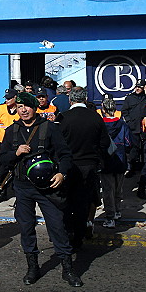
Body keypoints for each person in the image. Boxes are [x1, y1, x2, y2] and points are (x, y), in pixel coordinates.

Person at [0, 92, 82, 287]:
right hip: (23, 187)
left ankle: (68, 269)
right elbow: (2, 159)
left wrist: (62, 174)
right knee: (26, 227)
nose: (23, 110)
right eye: (19, 107)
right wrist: (15, 153)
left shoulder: (49, 128)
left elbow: (66, 155)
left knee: (57, 226)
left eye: (27, 106)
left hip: (47, 188)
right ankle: (32, 267)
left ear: (35, 108)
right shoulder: (12, 131)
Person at [58, 87, 110, 250]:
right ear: (85, 99)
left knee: (66, 200)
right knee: (83, 202)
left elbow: (56, 143)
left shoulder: (63, 118)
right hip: (89, 165)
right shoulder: (95, 117)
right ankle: (79, 236)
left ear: (70, 100)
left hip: (68, 165)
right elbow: (105, 143)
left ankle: (67, 232)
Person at [100, 97, 132, 228]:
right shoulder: (123, 124)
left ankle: (110, 217)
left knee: (108, 190)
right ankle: (118, 211)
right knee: (118, 188)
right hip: (120, 159)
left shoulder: (100, 124)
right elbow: (129, 143)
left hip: (105, 160)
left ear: (103, 109)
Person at [121, 79, 146, 177]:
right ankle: (131, 169)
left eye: (140, 87)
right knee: (134, 150)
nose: (138, 88)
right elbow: (124, 111)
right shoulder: (129, 98)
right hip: (133, 128)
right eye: (137, 86)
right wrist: (129, 122)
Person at [0, 88, 20, 189]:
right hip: (2, 142)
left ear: (15, 98)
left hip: (16, 143)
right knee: (2, 165)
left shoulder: (20, 109)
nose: (7, 100)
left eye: (9, 98)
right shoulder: (1, 108)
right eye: (6, 98)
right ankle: (1, 185)